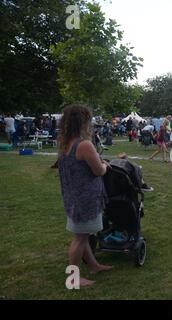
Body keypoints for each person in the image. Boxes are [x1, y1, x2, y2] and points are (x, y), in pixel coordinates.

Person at [57, 104, 112, 287]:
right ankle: (73, 277)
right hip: (85, 198)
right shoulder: (84, 144)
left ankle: (94, 265)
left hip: (73, 195)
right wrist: (104, 165)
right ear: (83, 122)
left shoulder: (64, 142)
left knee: (83, 234)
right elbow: (98, 171)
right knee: (79, 238)